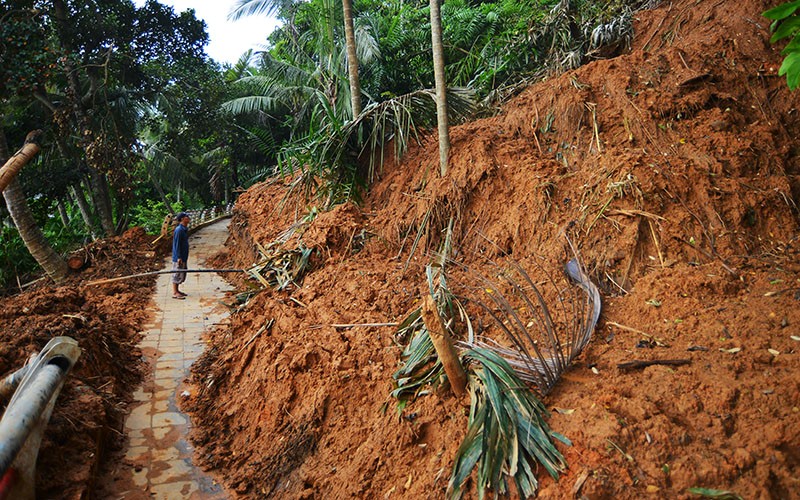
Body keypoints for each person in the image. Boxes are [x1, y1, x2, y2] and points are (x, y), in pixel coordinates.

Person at [171, 212, 190, 299]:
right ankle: (175, 292)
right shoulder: (179, 230)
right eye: (186, 217)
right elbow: (177, 244)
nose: (188, 218)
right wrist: (178, 257)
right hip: (179, 257)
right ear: (182, 219)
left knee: (181, 273)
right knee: (177, 273)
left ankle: (177, 290)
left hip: (183, 255)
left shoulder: (184, 229)